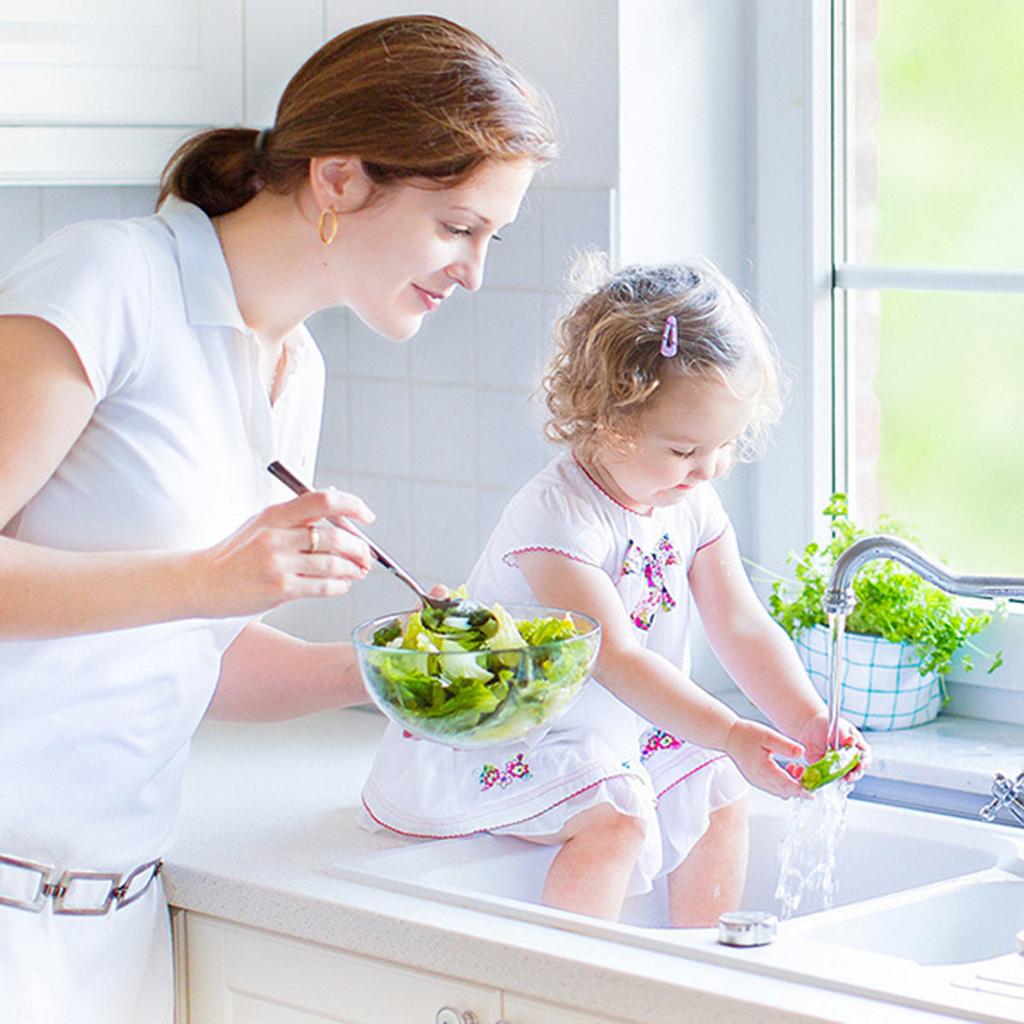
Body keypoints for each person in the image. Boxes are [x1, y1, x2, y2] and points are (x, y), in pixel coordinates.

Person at [0, 15, 556, 1023]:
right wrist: (210, 577)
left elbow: (195, 652)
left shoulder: (296, 369)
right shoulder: (109, 280)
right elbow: (192, 591)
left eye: (490, 237)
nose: (473, 271)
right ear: (339, 179)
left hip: (112, 921)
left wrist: (401, 672)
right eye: (456, 227)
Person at [362, 257, 871, 926]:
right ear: (606, 419)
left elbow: (741, 624)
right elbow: (618, 658)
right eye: (685, 449)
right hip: (521, 740)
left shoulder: (690, 501)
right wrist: (728, 731)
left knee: (718, 787)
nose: (709, 468)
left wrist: (805, 719)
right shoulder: (556, 517)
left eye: (725, 444)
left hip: (615, 733)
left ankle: (693, 971)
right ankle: (574, 977)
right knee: (616, 817)